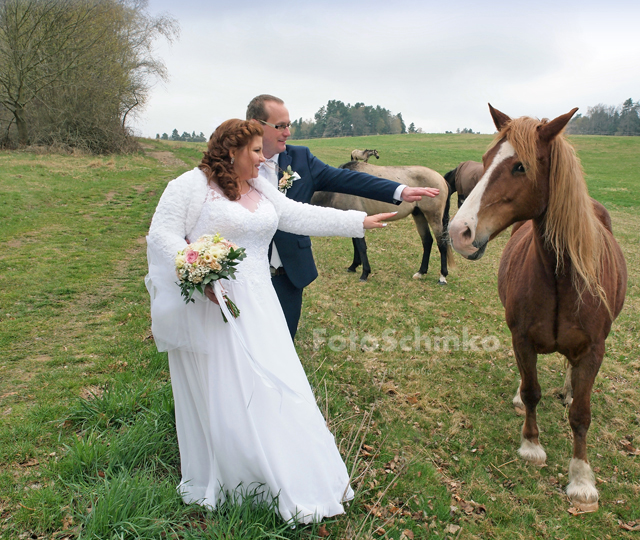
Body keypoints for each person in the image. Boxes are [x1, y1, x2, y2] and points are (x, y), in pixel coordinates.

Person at [144, 119, 396, 522]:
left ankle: (288, 472)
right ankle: (241, 477)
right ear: (232, 152)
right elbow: (162, 236)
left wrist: (357, 222)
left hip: (262, 305)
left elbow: (297, 216)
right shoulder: (189, 186)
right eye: (257, 151)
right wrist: (198, 268)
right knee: (231, 389)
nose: (265, 158)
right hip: (216, 307)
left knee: (278, 384)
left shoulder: (260, 186)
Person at [247, 94, 439, 339]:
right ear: (256, 125)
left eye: (289, 125)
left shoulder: (300, 159)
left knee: (283, 344)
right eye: (281, 126)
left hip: (288, 275)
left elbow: (347, 180)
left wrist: (399, 189)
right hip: (245, 276)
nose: (288, 132)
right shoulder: (233, 165)